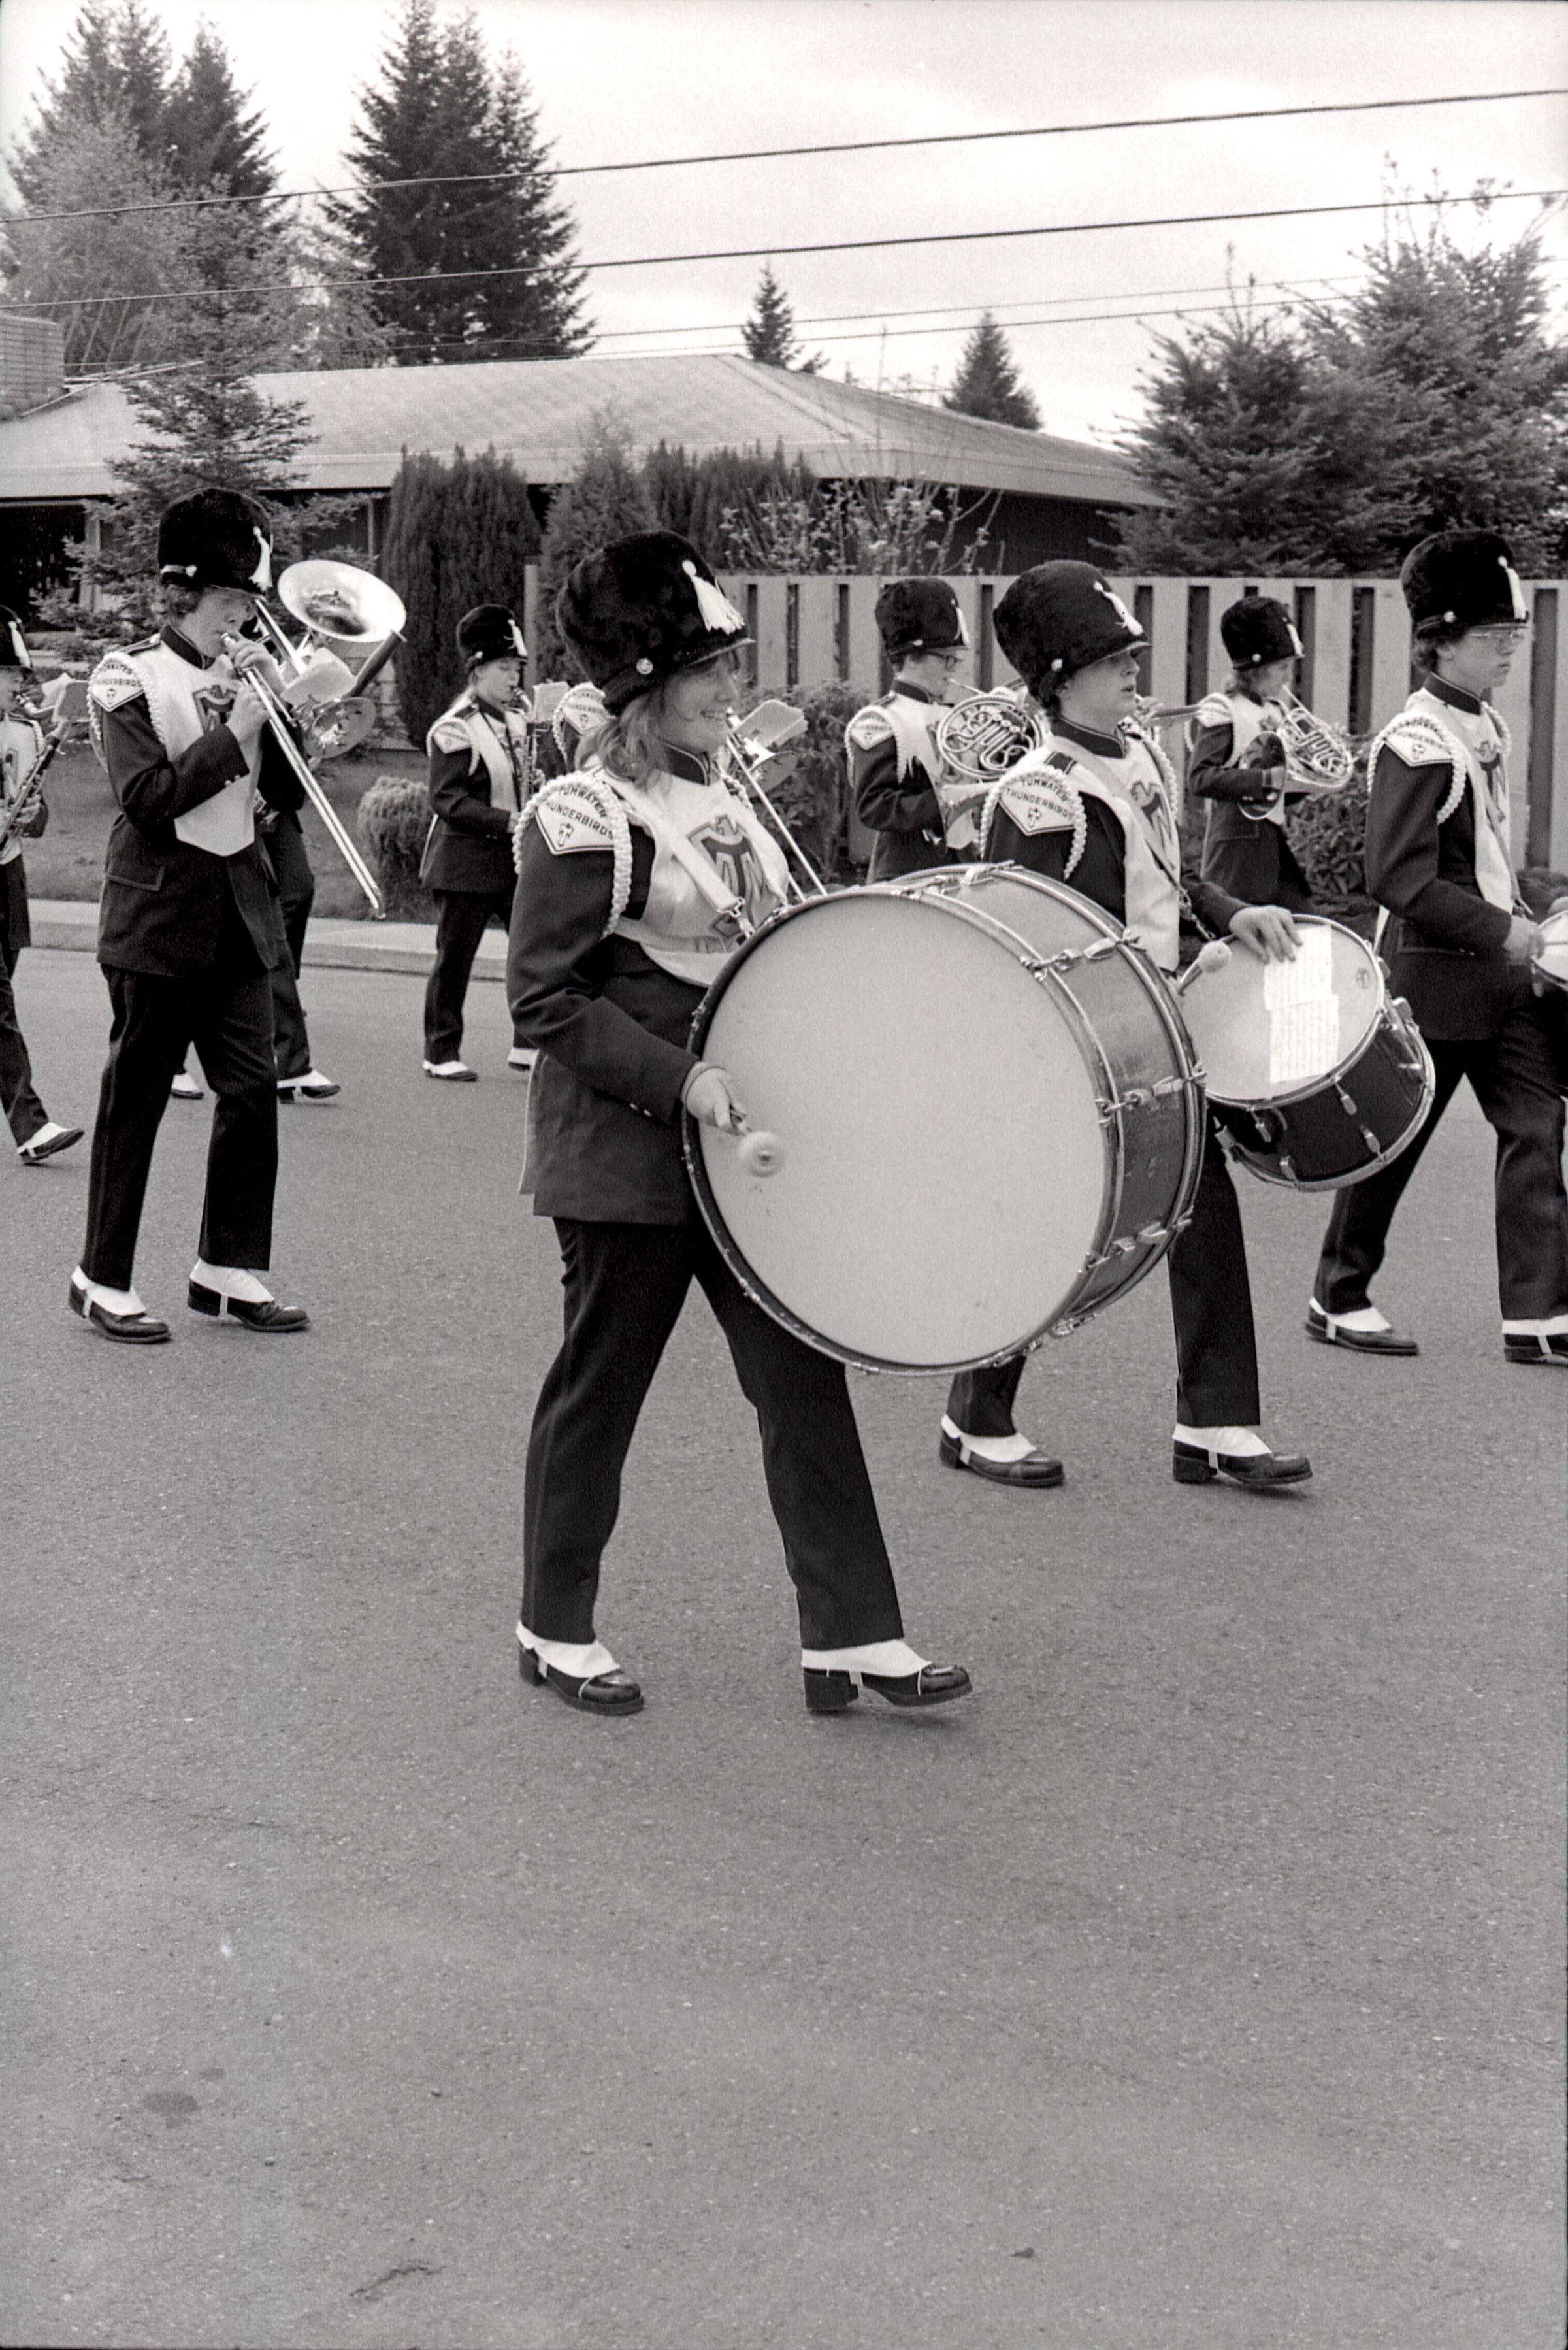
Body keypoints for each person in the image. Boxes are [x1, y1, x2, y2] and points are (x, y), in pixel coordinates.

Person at [508, 529, 970, 1717]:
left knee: (802, 1378)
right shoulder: (583, 812)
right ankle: (553, 1624)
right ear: (646, 685)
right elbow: (544, 998)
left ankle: (853, 1634)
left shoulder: (729, 796)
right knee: (602, 1391)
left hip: (745, 1149)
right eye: (707, 671)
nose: (731, 688)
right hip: (625, 1153)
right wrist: (682, 1082)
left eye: (727, 665)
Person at [941, 560, 1311, 1492]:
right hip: (1072, 1046)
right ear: (1060, 677)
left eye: (1131, 654)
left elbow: (1165, 879)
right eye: (1113, 660)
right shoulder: (1039, 790)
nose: (1134, 670)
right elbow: (1036, 936)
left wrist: (1229, 912)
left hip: (1150, 1031)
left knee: (1202, 1208)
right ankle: (975, 1413)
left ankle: (1215, 1422)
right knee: (1046, 1227)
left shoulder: (1138, 752)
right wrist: (1159, 983)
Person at [1307, 529, 1568, 1366]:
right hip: (1432, 975)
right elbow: (1397, 876)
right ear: (1441, 640)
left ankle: (1539, 1310)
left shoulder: (1481, 721)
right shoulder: (1416, 738)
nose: (1509, 650)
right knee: (1397, 1138)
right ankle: (1338, 1293)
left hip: (1501, 974)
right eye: (1494, 637)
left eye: (1512, 635)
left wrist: (1535, 914)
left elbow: (1481, 857)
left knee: (1537, 1123)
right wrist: (1503, 929)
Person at [73, 488, 310, 1344]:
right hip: (158, 915)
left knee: (251, 1089)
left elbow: (285, 797)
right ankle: (101, 1276)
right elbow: (145, 799)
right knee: (136, 1099)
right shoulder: (127, 676)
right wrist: (234, 731)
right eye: (233, 601)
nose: (245, 619)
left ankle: (226, 1265)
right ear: (187, 594)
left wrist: (282, 715)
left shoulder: (243, 679)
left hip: (238, 911)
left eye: (249, 602)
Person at [421, 604, 536, 1082]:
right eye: (505, 668)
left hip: (511, 862)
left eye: (517, 669)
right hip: (465, 862)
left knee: (531, 950)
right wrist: (508, 821)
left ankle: (527, 1044)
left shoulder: (518, 722)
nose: (514, 679)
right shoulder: (456, 727)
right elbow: (447, 800)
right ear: (478, 669)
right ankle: (440, 1051)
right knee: (455, 960)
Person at [0, 607, 82, 1167]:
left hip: (7, 875)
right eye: (11, 673)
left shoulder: (26, 733)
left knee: (3, 985)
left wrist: (32, 815)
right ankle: (31, 1126)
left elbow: (39, 815)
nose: (21, 683)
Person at [1188, 593, 1315, 911]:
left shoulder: (1276, 710)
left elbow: (1280, 791)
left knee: (1306, 927)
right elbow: (1200, 778)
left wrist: (1308, 777)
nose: (1288, 677)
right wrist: (1265, 780)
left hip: (1273, 849)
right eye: (1282, 667)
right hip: (1235, 857)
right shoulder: (1225, 710)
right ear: (1256, 669)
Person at [847, 577, 971, 880]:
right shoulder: (881, 721)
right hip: (906, 876)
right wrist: (946, 803)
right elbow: (874, 806)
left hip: (960, 867)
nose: (953, 667)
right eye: (946, 658)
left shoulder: (950, 714)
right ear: (913, 657)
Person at [263, 803, 339, 1103]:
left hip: (276, 804)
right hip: (230, 805)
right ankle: (167, 1057)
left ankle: (289, 1061)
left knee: (297, 892)